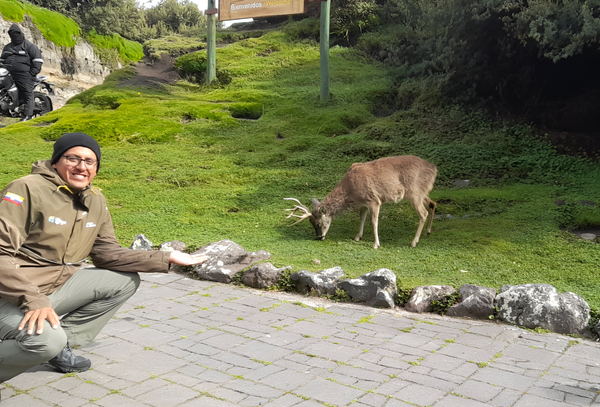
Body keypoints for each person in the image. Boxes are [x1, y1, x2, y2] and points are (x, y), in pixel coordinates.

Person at [0, 133, 208, 399]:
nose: (81, 167)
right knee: (43, 342)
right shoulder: (27, 188)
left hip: (49, 290)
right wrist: (32, 299)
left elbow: (106, 253)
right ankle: (48, 344)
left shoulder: (95, 200)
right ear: (55, 162)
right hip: (10, 292)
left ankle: (59, 343)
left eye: (90, 161)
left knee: (122, 281)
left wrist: (164, 258)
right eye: (73, 158)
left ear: (96, 169)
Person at [0, 23, 44, 121]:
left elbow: (38, 61)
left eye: (16, 33)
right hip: (8, 73)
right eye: (11, 33)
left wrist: (31, 74)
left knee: (28, 92)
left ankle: (27, 116)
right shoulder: (8, 47)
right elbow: (2, 59)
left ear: (20, 33)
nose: (14, 35)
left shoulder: (29, 46)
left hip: (24, 74)